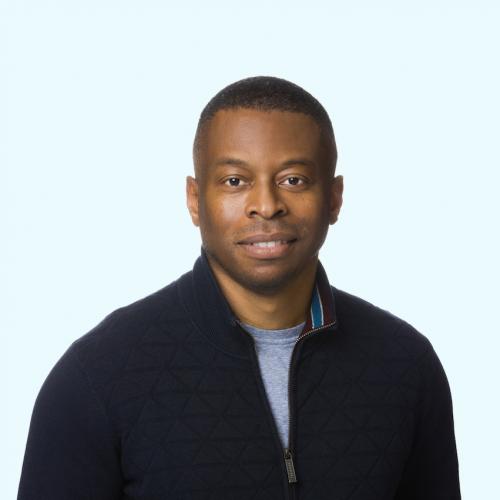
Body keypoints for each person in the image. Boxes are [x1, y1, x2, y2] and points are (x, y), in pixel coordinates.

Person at [17, 76, 461, 500]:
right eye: (235, 181)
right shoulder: (97, 377)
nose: (266, 205)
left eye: (293, 180)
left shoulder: (406, 365)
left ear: (334, 198)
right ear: (195, 200)